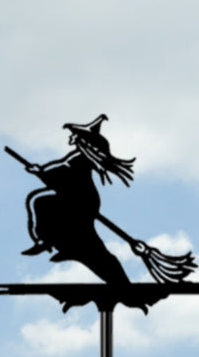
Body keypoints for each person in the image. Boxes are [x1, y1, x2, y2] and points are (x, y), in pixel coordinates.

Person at [22, 115, 135, 285]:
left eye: (73, 134)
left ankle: (120, 283)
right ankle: (60, 244)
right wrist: (41, 172)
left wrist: (40, 172)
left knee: (40, 202)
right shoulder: (78, 156)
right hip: (76, 199)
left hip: (80, 201)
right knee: (90, 245)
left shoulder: (79, 158)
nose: (70, 136)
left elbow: (62, 171)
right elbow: (61, 172)